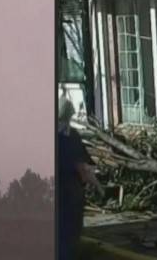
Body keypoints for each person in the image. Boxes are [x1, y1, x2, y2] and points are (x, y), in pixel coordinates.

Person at [57, 97, 103, 260]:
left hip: (70, 195)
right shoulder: (69, 137)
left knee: (68, 235)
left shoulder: (71, 136)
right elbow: (81, 166)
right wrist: (96, 185)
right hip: (66, 194)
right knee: (66, 236)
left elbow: (83, 165)